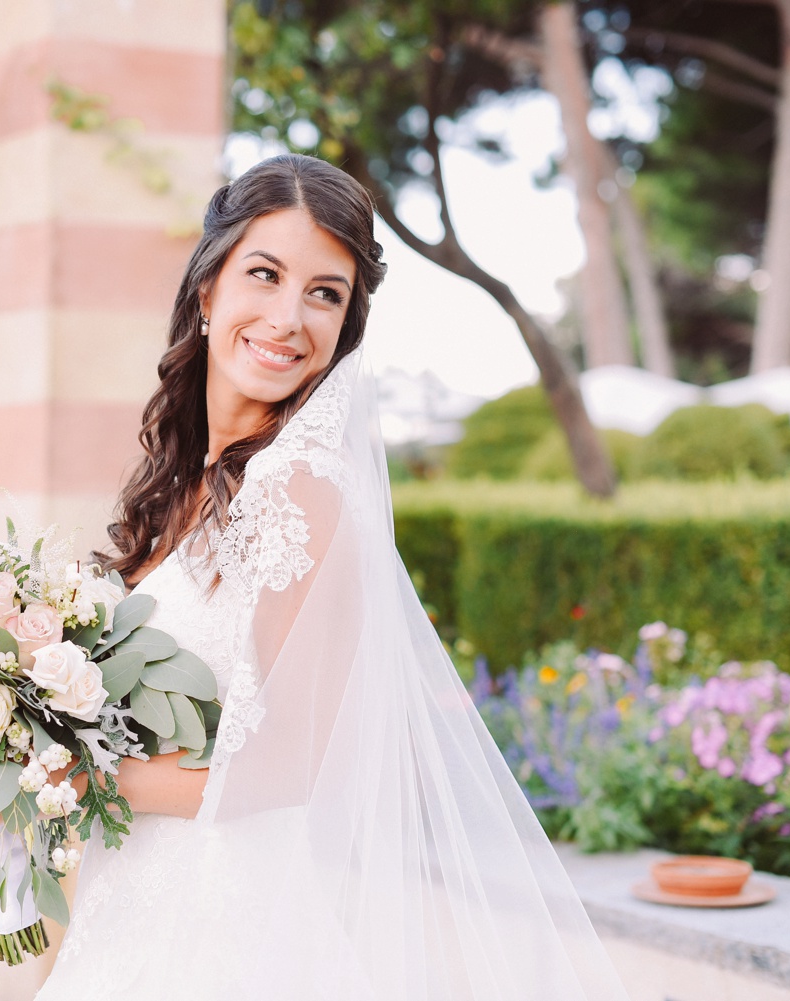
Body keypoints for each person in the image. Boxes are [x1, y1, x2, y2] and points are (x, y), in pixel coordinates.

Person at [33, 154, 629, 1000]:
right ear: (208, 291)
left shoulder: (299, 491)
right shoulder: (189, 485)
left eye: (325, 293)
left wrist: (69, 772)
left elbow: (291, 764)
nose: (289, 317)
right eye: (266, 275)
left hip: (222, 933)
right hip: (138, 898)